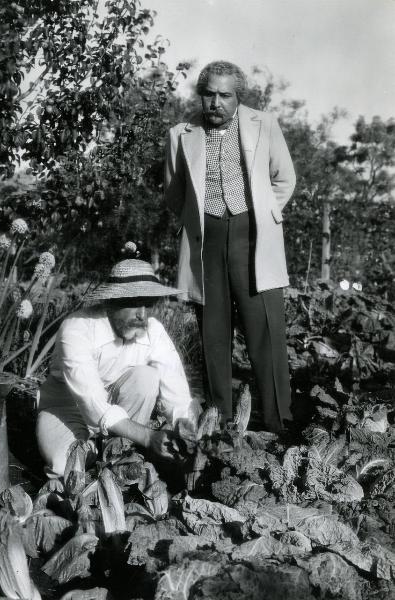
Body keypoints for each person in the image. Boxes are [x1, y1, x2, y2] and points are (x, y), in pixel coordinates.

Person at [164, 60, 296, 432]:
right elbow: (174, 194)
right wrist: (199, 219)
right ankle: (218, 421)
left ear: (238, 97)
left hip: (252, 237)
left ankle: (277, 422)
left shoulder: (263, 124)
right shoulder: (180, 133)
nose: (216, 103)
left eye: (225, 95)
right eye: (209, 95)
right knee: (213, 332)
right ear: (200, 96)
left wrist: (263, 217)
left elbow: (284, 179)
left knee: (264, 332)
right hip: (206, 240)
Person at [36, 258, 200, 477]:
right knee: (63, 465)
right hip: (66, 409)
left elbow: (176, 387)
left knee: (147, 377)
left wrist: (186, 429)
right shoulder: (77, 328)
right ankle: (102, 451)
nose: (142, 314)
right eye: (134, 303)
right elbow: (91, 399)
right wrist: (148, 437)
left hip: (118, 411)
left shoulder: (153, 330)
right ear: (111, 302)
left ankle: (119, 454)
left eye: (147, 304)